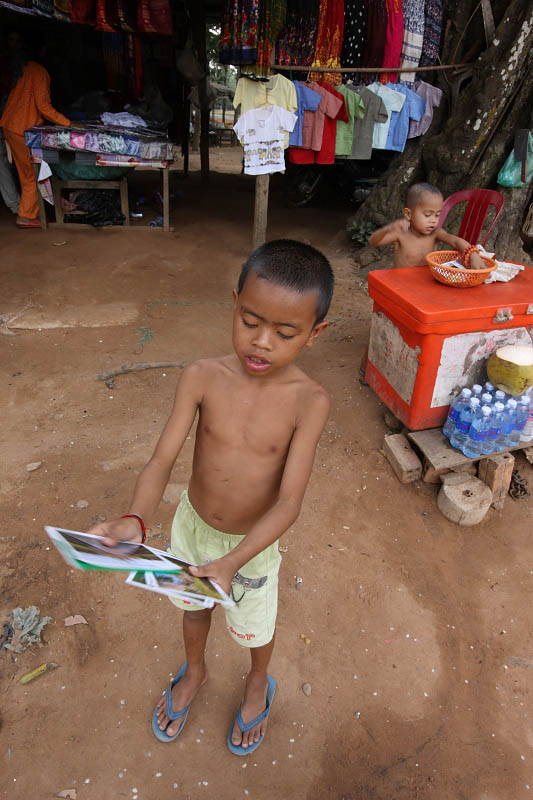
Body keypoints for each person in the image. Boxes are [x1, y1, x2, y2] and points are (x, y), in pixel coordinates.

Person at [89, 240, 333, 754]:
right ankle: (195, 670)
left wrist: (234, 559)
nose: (262, 342)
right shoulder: (201, 375)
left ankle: (255, 680)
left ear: (315, 335)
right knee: (194, 606)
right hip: (192, 528)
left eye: (285, 333)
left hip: (252, 546)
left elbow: (288, 503)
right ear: (234, 302)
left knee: (253, 625)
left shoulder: (309, 402)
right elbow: (161, 460)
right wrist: (136, 517)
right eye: (250, 321)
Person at [0, 38, 70, 228]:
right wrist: (69, 123)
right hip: (22, 128)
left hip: (11, 125)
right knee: (31, 174)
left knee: (26, 172)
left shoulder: (24, 67)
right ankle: (26, 216)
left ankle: (33, 210)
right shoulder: (39, 71)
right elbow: (44, 107)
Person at [368, 182, 486, 270]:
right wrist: (388, 228)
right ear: (408, 214)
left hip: (426, 282)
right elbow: (373, 242)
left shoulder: (436, 233)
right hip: (402, 284)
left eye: (437, 215)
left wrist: (473, 255)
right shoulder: (400, 234)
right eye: (428, 215)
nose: (433, 221)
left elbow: (456, 241)